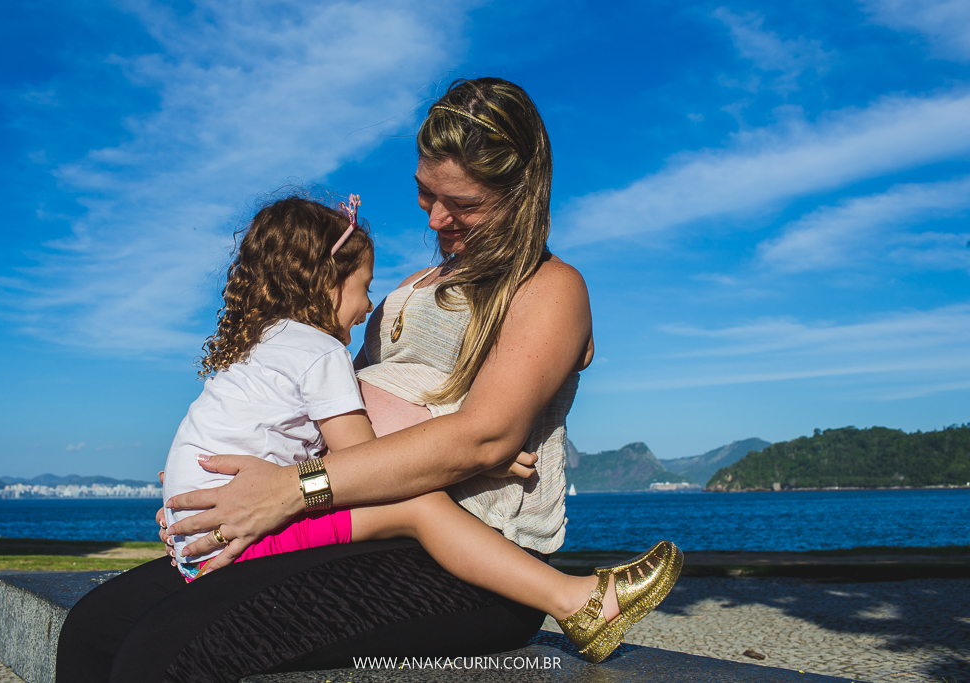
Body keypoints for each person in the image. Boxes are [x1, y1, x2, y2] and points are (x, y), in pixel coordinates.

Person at [56, 78, 681, 683]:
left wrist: (289, 488)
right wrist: (221, 478)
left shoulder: (549, 288)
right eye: (425, 194)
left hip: (464, 556)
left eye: (463, 204)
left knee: (168, 650)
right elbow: (324, 413)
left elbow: (485, 437)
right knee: (94, 628)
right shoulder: (410, 288)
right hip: (353, 516)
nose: (436, 219)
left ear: (520, 193)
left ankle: (580, 602)